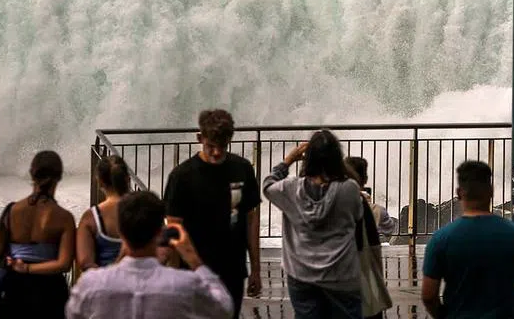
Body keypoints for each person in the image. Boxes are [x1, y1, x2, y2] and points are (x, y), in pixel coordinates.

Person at [65, 190, 233, 319]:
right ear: (160, 232)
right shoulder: (183, 284)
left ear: (121, 232)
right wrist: (194, 259)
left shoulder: (92, 284)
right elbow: (225, 309)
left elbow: (72, 313)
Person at [164, 109, 262, 317]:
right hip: (192, 271)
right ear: (200, 138)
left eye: (222, 146)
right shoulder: (182, 176)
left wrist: (256, 269)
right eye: (211, 146)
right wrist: (187, 269)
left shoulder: (242, 169)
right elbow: (173, 227)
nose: (217, 152)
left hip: (233, 268)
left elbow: (251, 218)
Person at [263, 130, 364, 319]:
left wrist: (288, 160)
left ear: (308, 160)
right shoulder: (349, 189)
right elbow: (357, 215)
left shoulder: (290, 188)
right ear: (337, 158)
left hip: (301, 274)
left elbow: (268, 186)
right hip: (341, 274)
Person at [422, 161, 514, 319]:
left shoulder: (441, 238)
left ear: (459, 193)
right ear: (491, 191)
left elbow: (429, 296)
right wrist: (510, 305)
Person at [0, 150, 76, 318]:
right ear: (59, 177)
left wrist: (16, 264)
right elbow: (64, 264)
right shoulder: (64, 217)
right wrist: (29, 268)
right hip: (50, 292)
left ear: (32, 174)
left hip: (15, 289)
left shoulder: (10, 211)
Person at [77, 155, 132, 272]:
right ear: (128, 179)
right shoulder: (146, 210)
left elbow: (85, 263)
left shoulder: (91, 217)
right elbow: (161, 252)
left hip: (106, 287)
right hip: (142, 286)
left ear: (100, 182)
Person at [346, 156, 397, 239]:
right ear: (365, 179)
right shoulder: (378, 210)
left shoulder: (331, 207)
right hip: (364, 251)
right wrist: (366, 204)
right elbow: (389, 229)